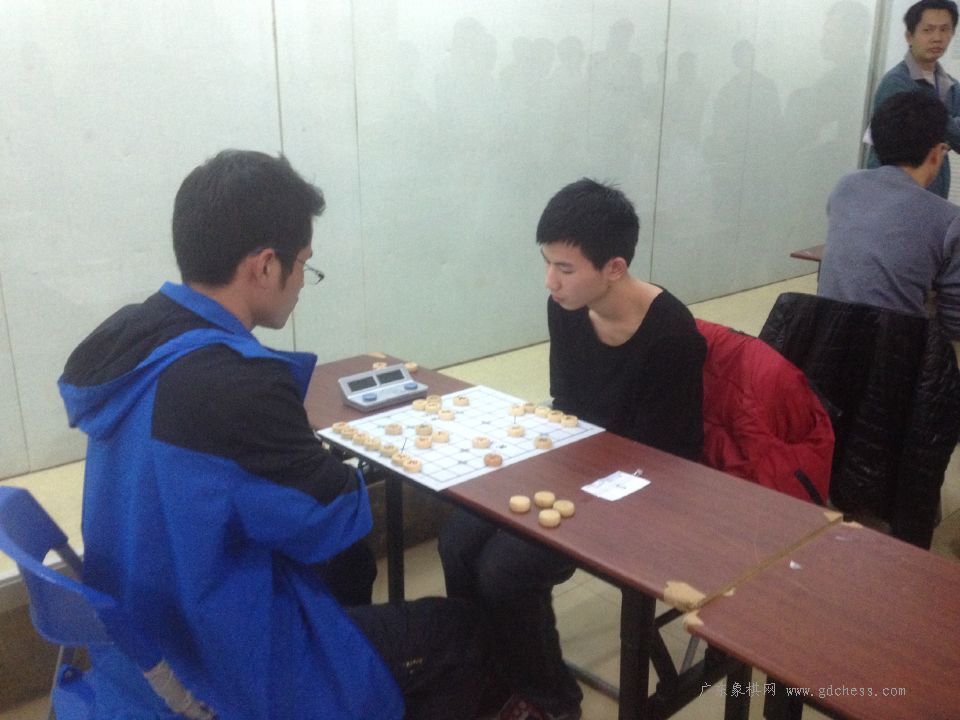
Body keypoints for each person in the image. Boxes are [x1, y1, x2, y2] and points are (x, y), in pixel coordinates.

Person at [58, 150, 488, 720]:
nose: (303, 281)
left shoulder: (132, 337)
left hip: (145, 632)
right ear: (264, 266)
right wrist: (330, 466)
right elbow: (332, 522)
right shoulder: (237, 384)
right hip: (217, 661)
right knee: (463, 632)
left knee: (353, 569)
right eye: (303, 263)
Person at [439, 179, 706, 720]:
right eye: (547, 263)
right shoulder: (565, 308)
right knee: (457, 538)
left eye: (564, 268)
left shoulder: (672, 334)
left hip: (644, 484)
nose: (550, 281)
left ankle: (551, 700)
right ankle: (489, 673)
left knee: (505, 570)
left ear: (614, 267)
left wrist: (576, 475)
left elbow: (667, 457)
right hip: (578, 460)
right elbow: (567, 403)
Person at [819, 91, 960, 339]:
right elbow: (954, 323)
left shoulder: (845, 187)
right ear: (936, 153)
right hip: (892, 352)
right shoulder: (949, 219)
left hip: (824, 340)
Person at [867, 0, 960, 198]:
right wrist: (947, 129)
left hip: (933, 193)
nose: (937, 38)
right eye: (928, 30)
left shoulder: (951, 86)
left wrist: (943, 129)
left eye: (944, 30)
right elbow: (903, 145)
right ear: (909, 36)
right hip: (894, 194)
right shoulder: (896, 82)